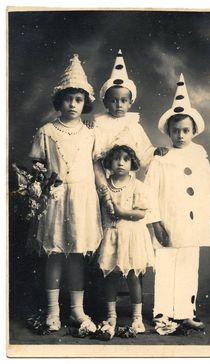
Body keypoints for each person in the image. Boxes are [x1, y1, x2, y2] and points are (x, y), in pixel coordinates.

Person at [28, 54, 102, 334]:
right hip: (56, 199)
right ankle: (51, 311)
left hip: (82, 199)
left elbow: (94, 166)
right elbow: (37, 165)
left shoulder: (90, 134)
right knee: (55, 254)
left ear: (86, 103)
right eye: (69, 99)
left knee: (76, 256)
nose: (73, 105)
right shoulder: (47, 131)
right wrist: (38, 186)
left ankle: (76, 310)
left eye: (79, 100)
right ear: (60, 100)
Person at [145, 74, 210, 335]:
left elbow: (208, 185)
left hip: (194, 221)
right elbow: (149, 192)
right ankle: (163, 313)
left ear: (193, 131)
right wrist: (155, 222)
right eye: (175, 130)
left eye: (185, 130)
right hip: (168, 221)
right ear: (168, 131)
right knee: (167, 266)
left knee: (190, 266)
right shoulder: (161, 158)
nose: (180, 135)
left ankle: (185, 312)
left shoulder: (199, 154)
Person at [93, 49, 167, 213]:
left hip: (126, 178)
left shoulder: (134, 126)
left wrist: (155, 152)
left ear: (130, 103)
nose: (119, 105)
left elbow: (144, 150)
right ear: (105, 103)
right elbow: (95, 154)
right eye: (114, 100)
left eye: (123, 101)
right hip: (105, 179)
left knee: (126, 211)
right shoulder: (99, 125)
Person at [96, 145, 154, 339]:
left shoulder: (137, 185)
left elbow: (140, 213)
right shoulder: (104, 186)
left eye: (126, 159)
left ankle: (137, 317)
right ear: (109, 163)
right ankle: (111, 315)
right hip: (111, 235)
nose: (121, 163)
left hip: (131, 236)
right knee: (110, 276)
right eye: (116, 159)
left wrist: (121, 213)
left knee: (133, 276)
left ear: (132, 163)